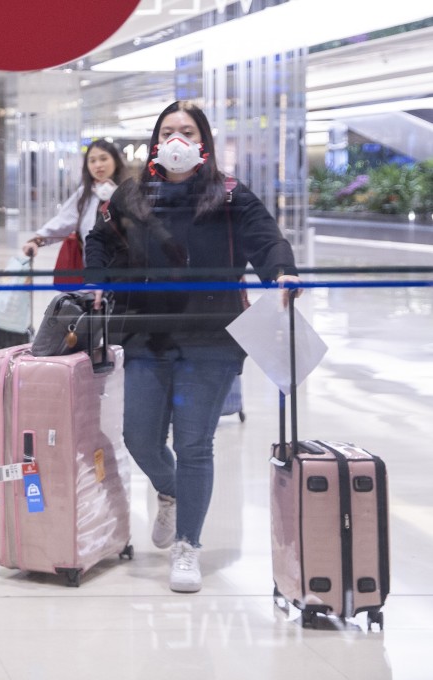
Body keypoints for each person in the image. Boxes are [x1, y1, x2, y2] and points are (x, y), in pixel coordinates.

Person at [83, 101, 302, 594]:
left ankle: (188, 545)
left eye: (187, 130)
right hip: (148, 331)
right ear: (155, 140)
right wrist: (95, 283)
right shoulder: (134, 194)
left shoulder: (228, 194)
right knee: (139, 437)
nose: (177, 139)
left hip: (210, 336)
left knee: (194, 444)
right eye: (168, 130)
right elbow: (99, 241)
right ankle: (170, 490)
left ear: (202, 140)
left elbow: (266, 240)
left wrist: (281, 273)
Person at [22, 140, 125, 260]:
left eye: (103, 158)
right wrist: (36, 241)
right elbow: (63, 221)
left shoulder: (129, 193)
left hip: (127, 270)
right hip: (93, 267)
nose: (98, 165)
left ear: (115, 161)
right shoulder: (84, 195)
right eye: (92, 160)